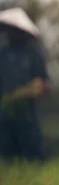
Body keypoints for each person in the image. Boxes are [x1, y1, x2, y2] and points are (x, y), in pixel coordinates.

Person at [0, 8, 51, 161]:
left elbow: (45, 83)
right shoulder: (2, 55)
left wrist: (29, 92)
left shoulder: (34, 54)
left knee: (34, 160)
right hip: (4, 118)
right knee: (6, 162)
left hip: (28, 119)